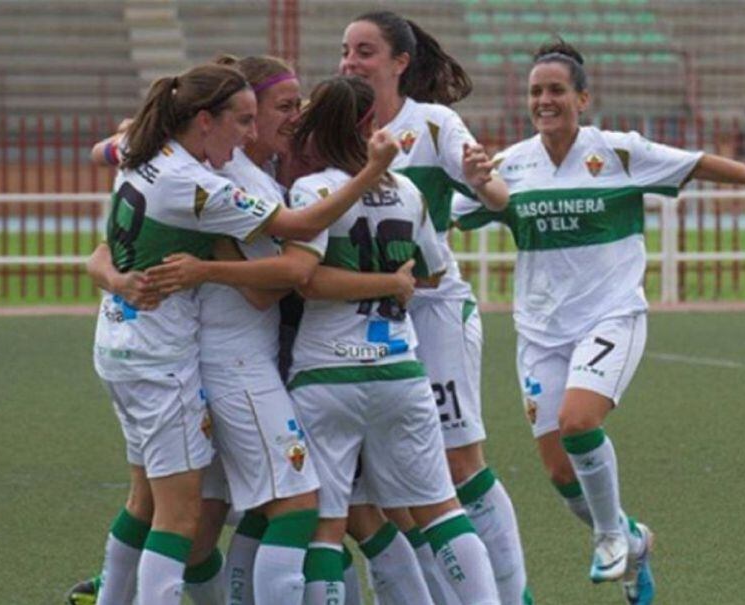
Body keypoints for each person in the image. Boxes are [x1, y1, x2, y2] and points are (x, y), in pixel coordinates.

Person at [454, 39, 745, 605]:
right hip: (539, 334)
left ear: (583, 98)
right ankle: (631, 539)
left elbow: (695, 163)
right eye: (536, 92)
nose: (545, 100)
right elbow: (442, 213)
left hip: (610, 318)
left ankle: (608, 538)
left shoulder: (619, 153)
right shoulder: (511, 166)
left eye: (556, 90)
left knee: (578, 421)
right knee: (558, 471)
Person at [86, 62, 397, 605]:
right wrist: (371, 174)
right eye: (260, 114)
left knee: (173, 512)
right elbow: (286, 268)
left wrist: (120, 276)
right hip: (211, 364)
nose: (267, 128)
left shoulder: (148, 152)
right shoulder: (211, 181)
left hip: (134, 349)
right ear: (208, 119)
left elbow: (105, 168)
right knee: (278, 506)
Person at [285, 74, 501, 605]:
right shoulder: (406, 190)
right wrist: (391, 281)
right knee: (441, 511)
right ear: (370, 125)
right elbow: (430, 273)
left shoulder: (311, 192)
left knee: (327, 527)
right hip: (398, 372)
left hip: (326, 374)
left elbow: (303, 278)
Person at [340, 11, 530, 604]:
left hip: (432, 307)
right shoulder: (337, 125)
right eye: (346, 50)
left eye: (365, 51)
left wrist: (483, 181)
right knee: (391, 485)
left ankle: (512, 594)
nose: (350, 62)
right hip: (364, 317)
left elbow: (496, 193)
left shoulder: (434, 123)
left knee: (458, 463)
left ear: (401, 62)